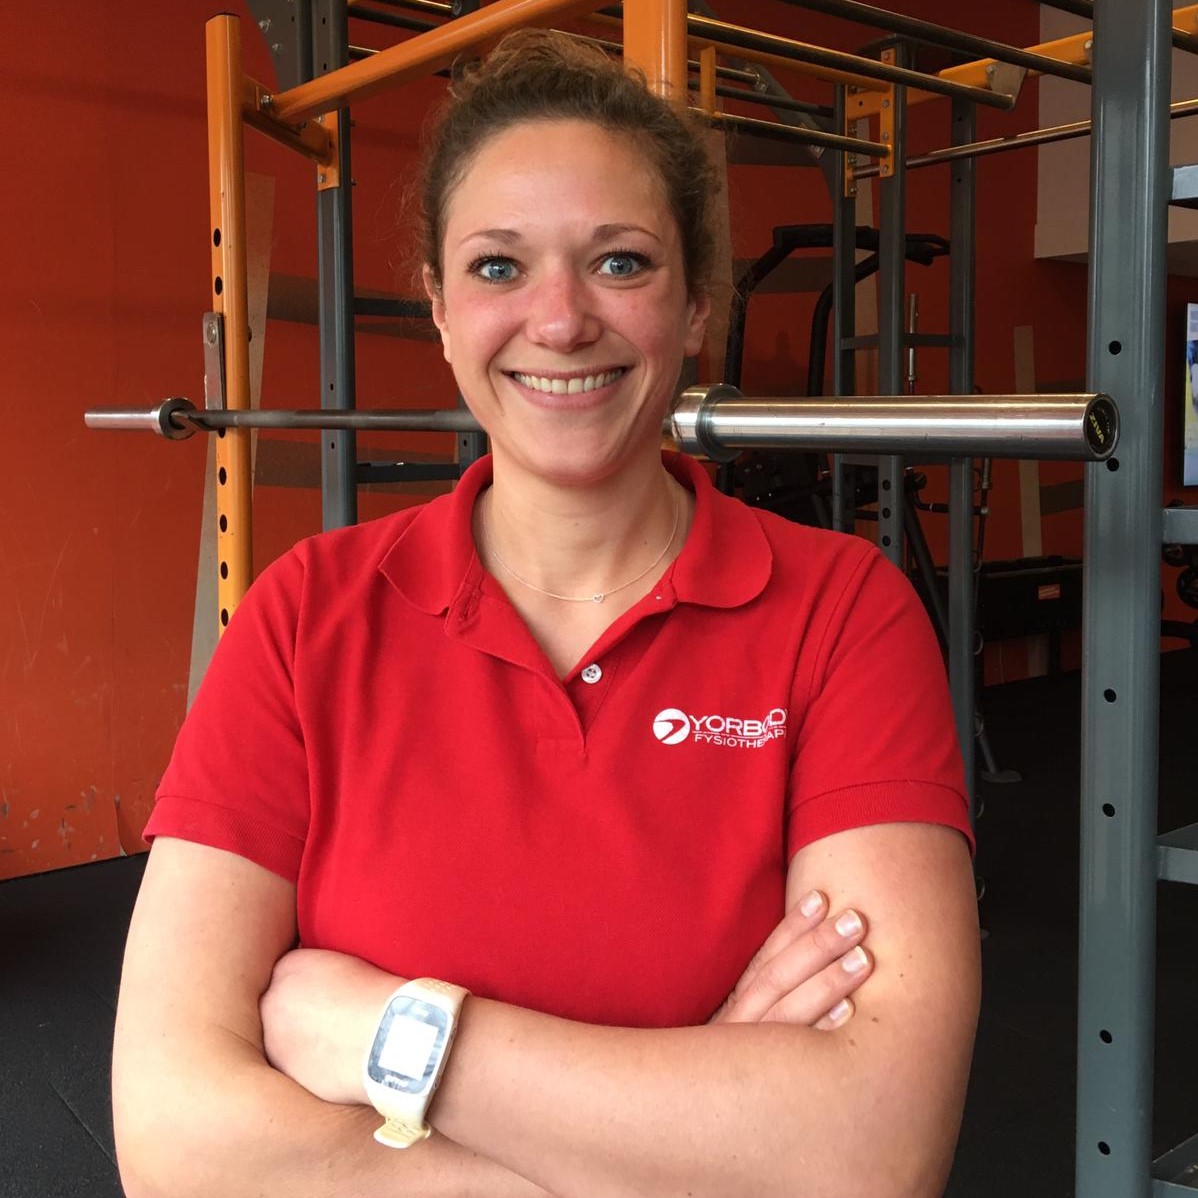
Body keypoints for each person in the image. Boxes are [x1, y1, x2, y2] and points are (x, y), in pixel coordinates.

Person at [112, 29, 980, 1198]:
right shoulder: (302, 616)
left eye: (620, 262)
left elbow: (870, 1155)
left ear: (697, 305)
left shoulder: (842, 614)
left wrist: (391, 1036)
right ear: (438, 308)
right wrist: (699, 1139)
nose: (560, 320)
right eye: (496, 266)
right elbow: (173, 1144)